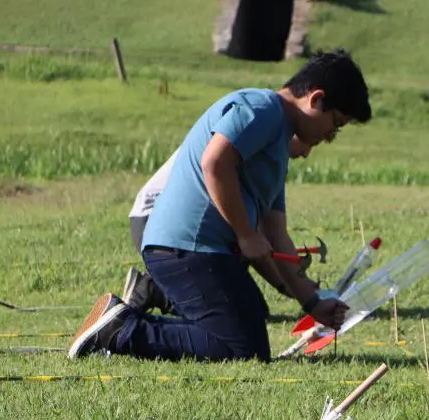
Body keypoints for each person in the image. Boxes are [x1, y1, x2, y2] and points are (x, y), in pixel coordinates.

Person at [67, 49, 371, 362]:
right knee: (242, 350)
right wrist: (245, 234)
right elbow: (214, 163)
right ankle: (121, 329)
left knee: (248, 324)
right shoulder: (263, 108)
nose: (330, 135)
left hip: (205, 252)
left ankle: (117, 322)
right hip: (188, 248)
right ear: (316, 99)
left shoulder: (277, 146)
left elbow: (276, 235)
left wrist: (312, 301)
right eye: (335, 123)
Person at [121, 134, 314, 316]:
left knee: (254, 311)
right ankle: (150, 290)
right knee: (233, 314)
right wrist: (291, 287)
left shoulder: (265, 147)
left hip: (178, 224)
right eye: (308, 143)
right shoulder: (253, 149)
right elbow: (254, 239)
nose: (306, 153)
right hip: (157, 223)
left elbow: (263, 235)